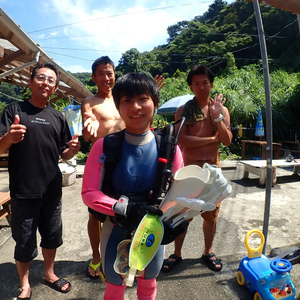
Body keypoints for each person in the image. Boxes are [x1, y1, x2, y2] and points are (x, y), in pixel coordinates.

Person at [81, 72, 183, 300]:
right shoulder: (104, 146)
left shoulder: (169, 148)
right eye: (126, 100)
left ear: (155, 103)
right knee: (115, 284)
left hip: (152, 227)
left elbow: (179, 193)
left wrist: (174, 220)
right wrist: (124, 208)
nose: (135, 106)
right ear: (118, 106)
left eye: (143, 99)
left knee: (149, 281)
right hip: (116, 224)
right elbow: (89, 193)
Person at [0, 62, 81, 299]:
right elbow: (0, 148)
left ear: (54, 89)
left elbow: (63, 154)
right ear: (31, 81)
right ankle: (25, 284)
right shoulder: (13, 110)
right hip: (24, 190)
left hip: (52, 189)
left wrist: (73, 151)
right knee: (24, 241)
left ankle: (49, 273)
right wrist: (8, 137)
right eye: (42, 78)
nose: (46, 83)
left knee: (52, 235)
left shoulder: (58, 117)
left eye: (51, 81)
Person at [161, 64, 232, 273]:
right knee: (182, 212)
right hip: (189, 168)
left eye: (205, 83)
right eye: (197, 84)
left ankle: (207, 251)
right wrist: (211, 138)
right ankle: (177, 253)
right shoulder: (184, 111)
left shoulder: (221, 110)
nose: (201, 87)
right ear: (191, 87)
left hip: (212, 169)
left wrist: (217, 117)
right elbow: (181, 139)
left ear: (211, 85)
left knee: (211, 214)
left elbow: (226, 141)